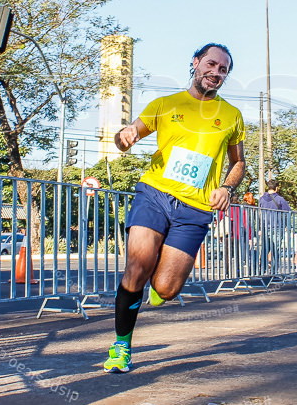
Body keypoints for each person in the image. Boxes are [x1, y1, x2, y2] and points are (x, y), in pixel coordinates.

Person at [103, 44, 245, 373]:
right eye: (211, 64)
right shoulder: (165, 105)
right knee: (137, 267)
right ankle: (121, 346)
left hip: (195, 209)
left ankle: (157, 285)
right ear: (195, 63)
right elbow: (130, 134)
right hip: (155, 193)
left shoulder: (232, 116)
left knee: (166, 289)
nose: (216, 72)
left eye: (223, 70)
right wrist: (123, 137)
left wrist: (227, 187)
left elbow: (239, 163)